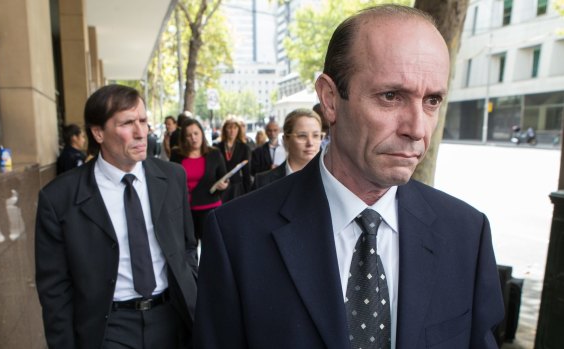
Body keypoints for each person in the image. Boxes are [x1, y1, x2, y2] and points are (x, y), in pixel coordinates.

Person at [194, 5, 504, 349]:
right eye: (391, 96)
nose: (417, 129)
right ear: (330, 100)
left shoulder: (466, 234)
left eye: (432, 100)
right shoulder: (237, 236)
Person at [36, 84, 198, 349]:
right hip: (108, 327)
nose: (140, 133)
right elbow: (54, 289)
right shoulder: (59, 198)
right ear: (98, 132)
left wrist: (192, 289)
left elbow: (188, 245)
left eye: (143, 121)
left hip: (172, 319)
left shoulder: (172, 177)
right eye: (127, 123)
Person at [170, 118, 228, 241]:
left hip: (210, 208)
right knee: (189, 248)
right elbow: (171, 182)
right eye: (189, 135)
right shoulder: (176, 155)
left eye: (196, 133)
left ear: (202, 133)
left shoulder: (214, 154)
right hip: (185, 210)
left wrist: (223, 185)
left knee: (212, 247)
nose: (193, 138)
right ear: (184, 138)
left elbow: (224, 177)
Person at [253, 109, 323, 189]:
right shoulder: (263, 182)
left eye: (316, 135)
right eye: (302, 136)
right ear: (286, 139)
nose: (310, 143)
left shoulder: (332, 179)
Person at [216, 118, 252, 202]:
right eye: (229, 128)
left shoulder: (244, 148)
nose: (232, 131)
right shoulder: (217, 148)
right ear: (224, 130)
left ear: (238, 130)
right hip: (221, 186)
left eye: (235, 128)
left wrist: (249, 192)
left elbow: (246, 173)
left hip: (237, 188)